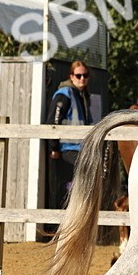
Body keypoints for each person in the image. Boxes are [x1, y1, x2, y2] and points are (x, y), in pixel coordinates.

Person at [47, 60, 94, 208]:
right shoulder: (65, 94)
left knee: (80, 190)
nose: (82, 79)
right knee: (67, 190)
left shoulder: (83, 95)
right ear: (71, 76)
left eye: (85, 75)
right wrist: (54, 148)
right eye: (78, 75)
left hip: (80, 150)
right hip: (66, 151)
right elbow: (53, 122)